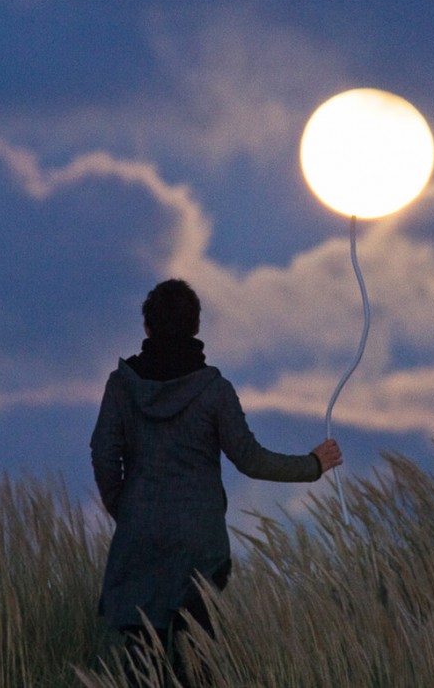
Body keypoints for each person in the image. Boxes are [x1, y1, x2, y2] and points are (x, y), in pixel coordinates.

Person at [90, 278, 342, 682]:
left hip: (139, 536)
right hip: (199, 542)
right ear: (195, 328)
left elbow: (103, 453)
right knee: (196, 658)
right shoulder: (214, 390)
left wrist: (125, 507)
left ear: (147, 328)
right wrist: (312, 464)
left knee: (141, 661)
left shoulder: (121, 386)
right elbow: (250, 459)